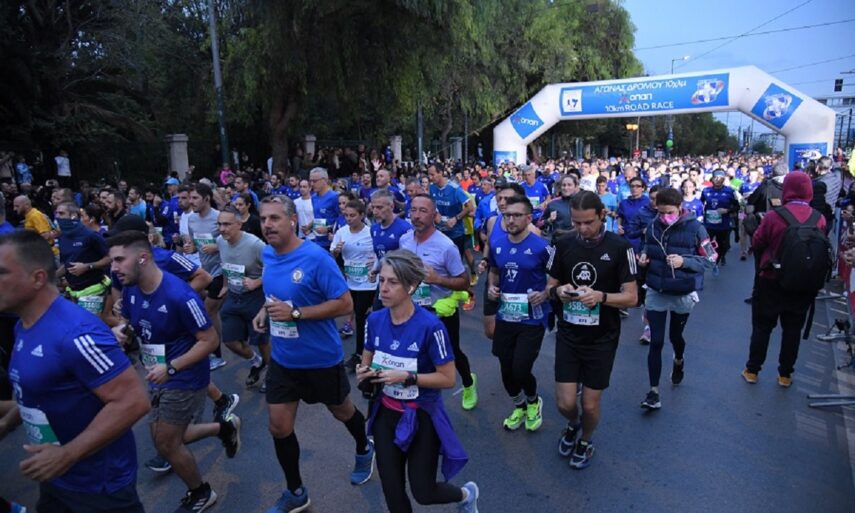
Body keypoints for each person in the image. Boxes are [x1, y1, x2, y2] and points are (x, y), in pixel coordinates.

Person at [1, 230, 150, 513]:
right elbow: (41, 389)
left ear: (37, 278)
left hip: (98, 488)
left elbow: (133, 401)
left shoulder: (76, 333)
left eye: (2, 273)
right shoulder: (24, 324)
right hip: (56, 478)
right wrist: (8, 422)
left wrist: (67, 454)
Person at [253, 196, 373, 513]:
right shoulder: (267, 253)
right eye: (263, 219)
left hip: (320, 358)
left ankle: (364, 446)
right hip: (283, 360)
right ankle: (296, 491)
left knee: (342, 411)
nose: (267, 225)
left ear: (292, 220)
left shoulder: (316, 258)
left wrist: (296, 314)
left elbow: (345, 304)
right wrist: (266, 310)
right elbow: (275, 294)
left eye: (275, 218)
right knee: (279, 426)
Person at [109, 231, 240, 513]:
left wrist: (171, 367)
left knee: (167, 443)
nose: (114, 268)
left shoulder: (180, 295)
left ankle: (201, 492)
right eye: (112, 261)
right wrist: (121, 331)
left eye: (119, 260)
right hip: (157, 372)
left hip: (183, 376)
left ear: (143, 258)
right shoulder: (131, 289)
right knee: (165, 438)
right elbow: (131, 323)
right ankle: (224, 428)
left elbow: (210, 341)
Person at [357, 249, 479, 513]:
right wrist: (364, 373)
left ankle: (466, 495)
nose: (383, 288)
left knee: (423, 492)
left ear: (411, 286)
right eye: (382, 280)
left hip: (422, 415)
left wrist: (409, 378)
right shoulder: (374, 320)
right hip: (386, 415)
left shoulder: (431, 327)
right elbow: (367, 361)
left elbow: (448, 378)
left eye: (392, 282)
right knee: (392, 492)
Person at [547, 191, 638, 469]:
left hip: (602, 338)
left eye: (588, 222)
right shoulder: (563, 244)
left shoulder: (621, 247)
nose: (582, 229)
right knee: (565, 404)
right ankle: (573, 424)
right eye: (576, 223)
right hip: (569, 334)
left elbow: (632, 298)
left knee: (589, 404)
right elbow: (550, 286)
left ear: (602, 216)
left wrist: (602, 297)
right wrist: (559, 291)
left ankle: (585, 440)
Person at [742, 172, 827, 387]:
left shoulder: (774, 216)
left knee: (763, 327)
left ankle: (752, 370)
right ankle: (785, 375)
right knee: (792, 330)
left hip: (772, 279)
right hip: (803, 283)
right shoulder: (819, 218)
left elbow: (758, 242)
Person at [636, 188, 716, 409]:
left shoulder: (696, 228)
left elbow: (711, 260)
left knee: (675, 336)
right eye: (660, 212)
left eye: (669, 212)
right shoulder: (653, 225)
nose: (664, 217)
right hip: (656, 290)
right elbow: (647, 246)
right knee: (656, 341)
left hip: (682, 291)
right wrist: (644, 256)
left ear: (680, 208)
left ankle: (679, 359)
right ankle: (653, 392)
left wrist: (685, 262)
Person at [400, 195, 477, 410]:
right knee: (415, 353)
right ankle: (419, 400)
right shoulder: (404, 240)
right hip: (412, 310)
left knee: (451, 353)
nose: (416, 215)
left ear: (434, 215)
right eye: (413, 210)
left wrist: (438, 279)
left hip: (440, 312)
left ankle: (468, 382)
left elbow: (464, 282)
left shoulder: (446, 246)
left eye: (423, 211)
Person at [486, 196, 552, 431]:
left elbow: (557, 277)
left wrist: (545, 293)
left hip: (532, 318)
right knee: (506, 369)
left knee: (521, 368)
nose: (510, 220)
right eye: (507, 215)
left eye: (516, 215)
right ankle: (519, 406)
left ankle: (533, 401)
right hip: (506, 315)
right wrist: (492, 286)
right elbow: (494, 270)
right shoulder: (498, 244)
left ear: (528, 218)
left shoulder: (542, 247)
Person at [216, 207, 270, 389]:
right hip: (233, 296)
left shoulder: (255, 245)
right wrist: (225, 285)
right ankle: (257, 362)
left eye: (227, 224)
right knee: (229, 340)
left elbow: (274, 267)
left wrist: (257, 282)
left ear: (239, 224)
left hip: (255, 297)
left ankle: (271, 374)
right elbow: (226, 265)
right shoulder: (220, 241)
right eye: (219, 224)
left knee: (262, 340)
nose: (222, 229)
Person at [184, 183, 227, 371]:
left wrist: (217, 247)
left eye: (195, 198)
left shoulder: (219, 218)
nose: (191, 202)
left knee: (209, 311)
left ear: (207, 199)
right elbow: (194, 243)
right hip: (204, 271)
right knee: (196, 303)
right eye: (189, 198)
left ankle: (217, 354)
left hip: (221, 271)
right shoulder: (192, 219)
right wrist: (190, 247)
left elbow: (233, 239)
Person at [331, 199, 377, 371]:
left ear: (362, 215)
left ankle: (360, 355)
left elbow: (380, 252)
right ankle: (367, 350)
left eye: (352, 215)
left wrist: (375, 265)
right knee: (358, 316)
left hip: (368, 283)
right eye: (346, 215)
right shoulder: (341, 232)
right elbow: (332, 254)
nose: (349, 219)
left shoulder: (371, 232)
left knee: (360, 317)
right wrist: (336, 251)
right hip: (351, 282)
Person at [54, 202, 111, 316]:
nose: (57, 217)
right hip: (72, 292)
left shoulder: (90, 235)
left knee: (89, 323)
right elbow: (67, 264)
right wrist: (51, 278)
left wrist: (87, 266)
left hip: (93, 290)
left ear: (73, 216)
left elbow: (110, 257)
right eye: (57, 213)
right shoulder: (63, 237)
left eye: (61, 213)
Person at [700, 170, 739, 266]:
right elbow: (701, 203)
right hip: (709, 223)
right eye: (715, 177)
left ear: (724, 179)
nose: (717, 180)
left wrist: (727, 210)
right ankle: (712, 259)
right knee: (706, 242)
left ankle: (721, 256)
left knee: (722, 244)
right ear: (712, 179)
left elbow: (737, 206)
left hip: (723, 223)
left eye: (720, 178)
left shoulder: (730, 191)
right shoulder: (706, 191)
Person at [308, 167, 339, 251]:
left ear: (324, 180)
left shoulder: (334, 197)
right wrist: (310, 226)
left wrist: (329, 229)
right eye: (310, 181)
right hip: (318, 240)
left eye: (315, 181)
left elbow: (342, 219)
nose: (311, 184)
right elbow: (319, 216)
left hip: (331, 242)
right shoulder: (314, 197)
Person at [544, 174, 578, 240]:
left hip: (578, 241)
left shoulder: (582, 202)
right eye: (563, 185)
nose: (566, 188)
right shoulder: (553, 204)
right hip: (558, 241)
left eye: (569, 185)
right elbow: (539, 224)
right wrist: (549, 220)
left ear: (575, 187)